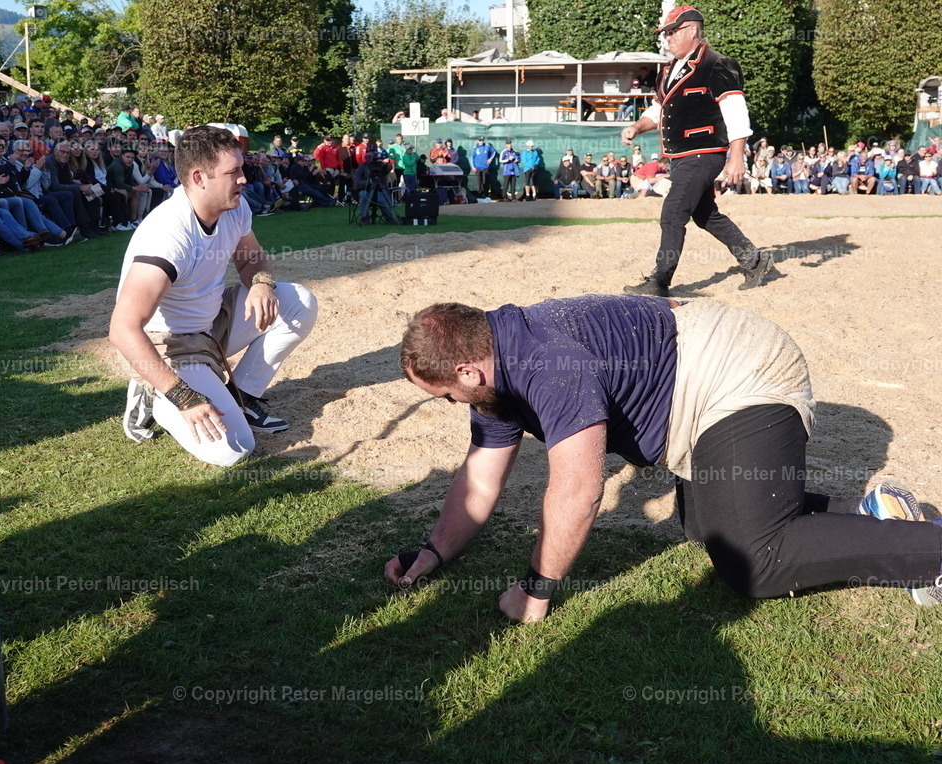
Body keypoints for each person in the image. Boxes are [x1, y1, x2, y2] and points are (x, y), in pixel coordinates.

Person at [386, 296, 942, 623]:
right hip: (700, 376)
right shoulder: (493, 372)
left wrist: (538, 588)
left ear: (466, 371)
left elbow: (579, 490)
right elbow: (481, 480)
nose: (451, 405)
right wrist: (434, 551)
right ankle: (875, 512)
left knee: (753, 560)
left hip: (740, 369)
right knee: (703, 522)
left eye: (445, 395)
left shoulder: (544, 363)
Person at [109, 126, 318, 467]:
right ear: (198, 177)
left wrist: (262, 284)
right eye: (233, 171)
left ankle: (242, 397)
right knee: (232, 449)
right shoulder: (168, 235)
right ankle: (152, 390)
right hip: (169, 346)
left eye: (242, 168)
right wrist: (183, 397)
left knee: (299, 302)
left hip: (212, 322)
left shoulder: (234, 206)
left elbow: (252, 258)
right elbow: (123, 328)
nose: (243, 179)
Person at [621, 6, 771, 297]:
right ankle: (754, 260)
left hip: (705, 152)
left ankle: (659, 281)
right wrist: (637, 127)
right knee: (704, 215)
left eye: (672, 32)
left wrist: (736, 156)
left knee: (673, 213)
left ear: (691, 30)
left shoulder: (717, 64)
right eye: (665, 33)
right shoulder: (668, 69)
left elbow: (735, 111)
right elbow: (657, 110)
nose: (667, 39)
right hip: (680, 157)